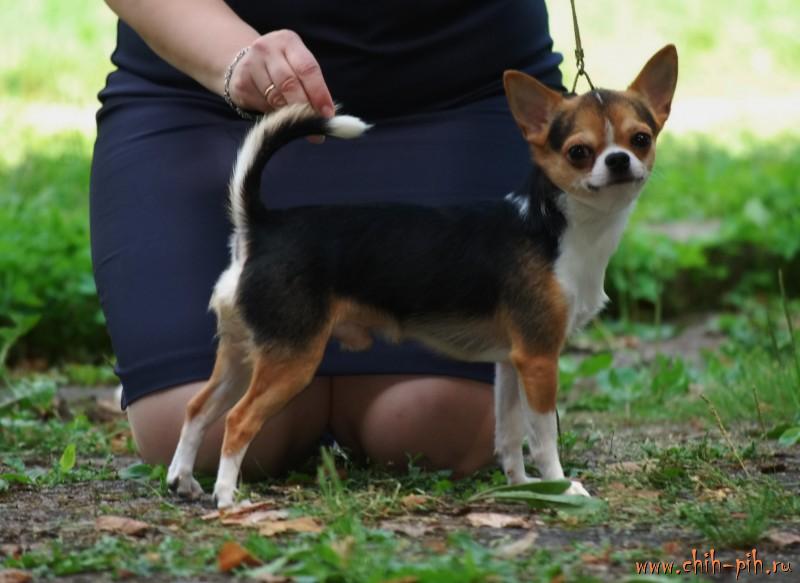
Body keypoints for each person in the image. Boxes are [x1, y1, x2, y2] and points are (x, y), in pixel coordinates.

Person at [90, 0, 564, 479]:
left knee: (436, 424)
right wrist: (232, 59)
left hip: (461, 88)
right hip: (201, 81)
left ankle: (333, 394)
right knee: (204, 434)